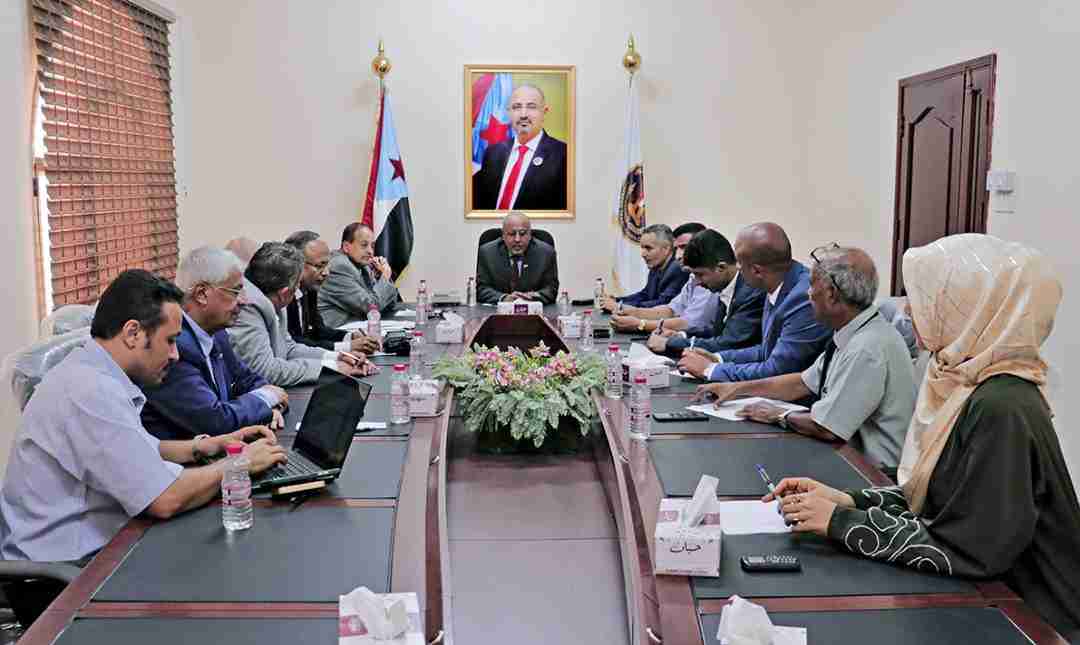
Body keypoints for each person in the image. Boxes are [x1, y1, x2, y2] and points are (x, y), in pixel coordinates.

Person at [765, 235, 1080, 640]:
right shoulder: (964, 379)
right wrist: (847, 500)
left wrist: (840, 522)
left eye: (925, 297)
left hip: (1032, 616)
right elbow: (942, 499)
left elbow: (973, 548)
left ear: (971, 308)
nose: (909, 309)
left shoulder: (1001, 403)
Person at [0, 270, 286, 564]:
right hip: (67, 572)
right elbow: (165, 499)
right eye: (170, 341)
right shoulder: (88, 391)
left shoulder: (93, 373)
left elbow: (136, 448)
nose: (175, 355)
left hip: (96, 547)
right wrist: (241, 463)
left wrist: (204, 446)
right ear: (133, 333)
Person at [694, 245, 915, 469]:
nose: (808, 294)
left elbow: (827, 427)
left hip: (872, 473)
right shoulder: (854, 331)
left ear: (831, 294)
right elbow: (802, 382)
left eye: (812, 285)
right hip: (846, 455)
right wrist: (737, 388)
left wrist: (778, 415)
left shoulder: (867, 347)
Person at [142, 247, 290, 441]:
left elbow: (247, 379)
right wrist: (267, 399)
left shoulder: (217, 333)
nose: (244, 300)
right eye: (236, 291)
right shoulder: (174, 346)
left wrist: (268, 407)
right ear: (202, 294)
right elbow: (215, 421)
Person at [677, 222, 830, 382]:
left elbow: (777, 369)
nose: (737, 269)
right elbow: (766, 351)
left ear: (757, 271)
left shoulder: (803, 297)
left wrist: (709, 369)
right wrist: (717, 358)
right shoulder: (776, 282)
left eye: (740, 264)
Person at [230, 242, 375, 387]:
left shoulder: (273, 296)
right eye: (297, 284)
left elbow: (289, 348)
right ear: (284, 293)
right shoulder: (248, 307)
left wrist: (336, 357)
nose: (298, 289)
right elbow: (266, 371)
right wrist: (332, 368)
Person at [648, 229, 765, 357]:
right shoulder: (726, 285)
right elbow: (718, 332)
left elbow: (728, 343)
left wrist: (669, 343)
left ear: (721, 267)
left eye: (700, 274)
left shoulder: (750, 293)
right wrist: (681, 335)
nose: (697, 282)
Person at [607, 222, 717, 334]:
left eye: (684, 247)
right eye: (676, 248)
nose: (678, 256)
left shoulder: (707, 277)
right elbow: (670, 310)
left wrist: (640, 324)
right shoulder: (693, 277)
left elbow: (691, 323)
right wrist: (630, 311)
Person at [472, 84, 568, 211]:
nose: (523, 114)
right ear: (509, 112)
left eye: (531, 107)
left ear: (544, 112)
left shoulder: (564, 155)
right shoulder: (493, 152)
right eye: (517, 107)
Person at [283, 230, 380, 354]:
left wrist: (349, 337)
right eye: (319, 266)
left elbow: (318, 330)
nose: (326, 272)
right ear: (296, 264)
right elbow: (293, 342)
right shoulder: (283, 295)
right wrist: (346, 347)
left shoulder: (309, 289)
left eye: (327, 265)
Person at [319, 223, 399, 329]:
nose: (370, 251)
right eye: (364, 245)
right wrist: (385, 277)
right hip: (335, 331)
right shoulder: (340, 266)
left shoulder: (362, 265)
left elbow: (390, 304)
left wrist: (380, 277)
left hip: (356, 327)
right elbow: (372, 307)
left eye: (372, 246)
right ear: (346, 247)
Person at [600, 224, 688, 313]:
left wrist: (620, 306)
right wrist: (617, 300)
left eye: (648, 248)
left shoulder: (678, 268)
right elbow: (645, 294)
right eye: (642, 248)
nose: (643, 254)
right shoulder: (656, 265)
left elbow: (663, 304)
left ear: (666, 248)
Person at [476, 211, 559, 304]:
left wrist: (533, 296)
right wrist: (504, 298)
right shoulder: (487, 252)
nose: (517, 239)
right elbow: (481, 289)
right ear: (503, 235)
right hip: (498, 310)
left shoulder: (546, 253)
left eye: (522, 234)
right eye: (512, 234)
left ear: (530, 235)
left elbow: (551, 289)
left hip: (534, 310)